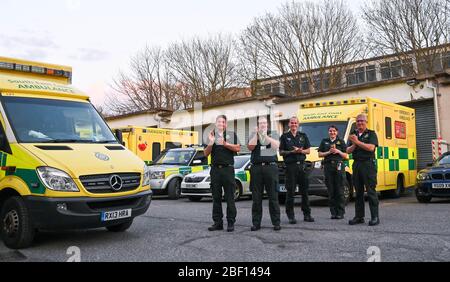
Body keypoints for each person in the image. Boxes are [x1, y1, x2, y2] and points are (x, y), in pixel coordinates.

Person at [204, 115, 241, 232]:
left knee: (230, 196)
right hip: (215, 170)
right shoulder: (211, 135)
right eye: (219, 121)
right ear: (216, 123)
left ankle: (231, 222)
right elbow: (205, 153)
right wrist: (211, 142)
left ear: (226, 124)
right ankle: (217, 223)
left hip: (227, 169)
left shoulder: (231, 134)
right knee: (216, 197)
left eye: (223, 122)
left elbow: (238, 148)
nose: (221, 124)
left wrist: (225, 144)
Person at [247, 116, 281, 231]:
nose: (262, 125)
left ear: (267, 124)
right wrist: (257, 135)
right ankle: (256, 223)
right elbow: (250, 147)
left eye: (264, 123)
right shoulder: (253, 135)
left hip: (270, 168)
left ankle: (276, 222)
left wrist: (265, 136)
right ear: (258, 125)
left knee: (273, 197)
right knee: (256, 198)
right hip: (256, 168)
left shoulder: (273, 133)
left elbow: (276, 146)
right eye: (260, 123)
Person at [279, 116, 314, 224]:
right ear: (289, 124)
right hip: (290, 167)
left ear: (298, 125)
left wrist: (300, 151)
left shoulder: (303, 136)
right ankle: (291, 216)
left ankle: (307, 215)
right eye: (292, 123)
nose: (294, 125)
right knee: (290, 192)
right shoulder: (284, 136)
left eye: (295, 123)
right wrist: (291, 152)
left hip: (302, 166)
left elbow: (308, 151)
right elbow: (281, 152)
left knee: (305, 192)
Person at [346, 113, 380, 226]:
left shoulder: (371, 133)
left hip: (368, 164)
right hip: (356, 165)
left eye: (362, 121)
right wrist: (355, 143)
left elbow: (371, 148)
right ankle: (359, 217)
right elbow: (348, 150)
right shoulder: (353, 134)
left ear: (366, 122)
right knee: (358, 192)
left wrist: (357, 142)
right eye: (358, 121)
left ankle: (375, 217)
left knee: (371, 191)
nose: (360, 123)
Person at [318, 125, 348, 219]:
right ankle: (333, 213)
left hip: (338, 166)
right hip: (328, 166)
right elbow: (319, 154)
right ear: (328, 132)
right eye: (330, 131)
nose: (332, 132)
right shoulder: (324, 141)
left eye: (334, 131)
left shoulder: (341, 141)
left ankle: (340, 212)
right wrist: (329, 152)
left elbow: (346, 156)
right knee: (331, 190)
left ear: (337, 132)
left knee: (339, 190)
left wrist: (338, 151)